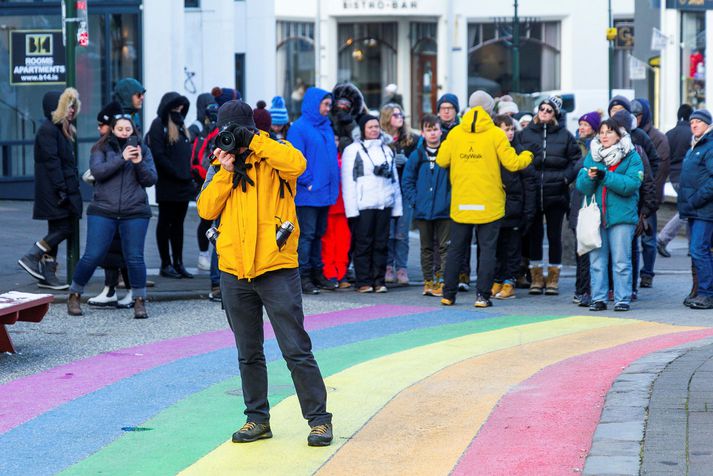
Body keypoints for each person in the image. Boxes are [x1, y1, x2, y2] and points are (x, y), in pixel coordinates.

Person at [196, 99, 333, 446]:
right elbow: (206, 209)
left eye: (235, 131)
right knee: (248, 352)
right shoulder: (220, 163)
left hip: (276, 266)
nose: (230, 138)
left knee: (295, 349)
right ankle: (257, 419)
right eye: (225, 131)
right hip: (233, 269)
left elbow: (297, 164)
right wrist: (225, 173)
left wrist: (255, 141)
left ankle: (319, 420)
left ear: (251, 128)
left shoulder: (274, 152)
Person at [437, 90, 534, 308]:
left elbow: (442, 160)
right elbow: (512, 163)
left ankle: (448, 294)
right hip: (489, 202)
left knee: (456, 250)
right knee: (488, 250)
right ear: (490, 110)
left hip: (462, 200)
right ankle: (482, 296)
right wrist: (528, 155)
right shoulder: (495, 134)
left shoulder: (455, 133)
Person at [66, 115, 157, 319]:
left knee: (135, 257)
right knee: (93, 255)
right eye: (120, 129)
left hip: (134, 211)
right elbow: (98, 172)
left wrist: (138, 162)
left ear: (133, 131)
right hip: (103, 210)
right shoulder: (101, 148)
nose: (125, 132)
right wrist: (122, 158)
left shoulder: (143, 149)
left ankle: (140, 301)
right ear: (112, 130)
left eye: (128, 129)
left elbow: (151, 179)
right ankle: (74, 294)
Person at [576, 118, 643, 312]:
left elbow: (630, 185)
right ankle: (599, 298)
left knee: (621, 261)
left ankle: (622, 299)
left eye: (609, 132)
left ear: (619, 135)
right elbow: (582, 187)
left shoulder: (632, 156)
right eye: (602, 132)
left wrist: (605, 176)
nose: (604, 136)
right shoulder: (593, 155)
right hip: (597, 216)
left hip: (621, 217)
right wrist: (588, 178)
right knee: (597, 261)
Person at [18, 88, 82, 290]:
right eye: (68, 106)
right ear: (58, 107)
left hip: (57, 190)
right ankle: (33, 254)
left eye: (73, 106)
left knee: (57, 229)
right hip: (54, 192)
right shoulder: (49, 129)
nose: (72, 110)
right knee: (64, 229)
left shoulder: (60, 129)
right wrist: (62, 189)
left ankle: (47, 275)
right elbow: (52, 163)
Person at [518, 96, 581, 295]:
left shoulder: (565, 135)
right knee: (534, 237)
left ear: (555, 114)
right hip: (533, 192)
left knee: (554, 237)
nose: (544, 112)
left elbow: (576, 160)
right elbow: (518, 157)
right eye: (542, 109)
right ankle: (536, 277)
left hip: (557, 193)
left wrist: (565, 179)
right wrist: (530, 177)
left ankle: (553, 278)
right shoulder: (526, 134)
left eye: (549, 110)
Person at [287, 87, 340, 294]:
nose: (328, 108)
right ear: (314, 104)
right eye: (325, 104)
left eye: (329, 105)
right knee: (307, 235)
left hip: (324, 193)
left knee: (319, 234)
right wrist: (308, 182)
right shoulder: (299, 128)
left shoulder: (326, 126)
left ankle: (318, 273)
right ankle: (303, 277)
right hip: (308, 193)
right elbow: (295, 159)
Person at [341, 115, 403, 293]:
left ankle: (379, 280)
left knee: (382, 244)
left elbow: (394, 180)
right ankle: (363, 281)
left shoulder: (387, 150)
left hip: (384, 204)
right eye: (370, 127)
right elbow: (348, 181)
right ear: (362, 130)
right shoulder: (353, 150)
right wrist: (351, 210)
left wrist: (397, 207)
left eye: (376, 126)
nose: (374, 130)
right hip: (363, 206)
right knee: (363, 244)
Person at [87, 101, 136, 308]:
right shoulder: (103, 146)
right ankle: (112, 289)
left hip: (123, 206)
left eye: (102, 125)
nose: (99, 129)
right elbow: (99, 171)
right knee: (112, 249)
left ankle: (130, 290)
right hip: (108, 204)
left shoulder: (125, 145)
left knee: (124, 250)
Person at [402, 114, 450, 297]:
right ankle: (428, 280)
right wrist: (415, 201)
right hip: (423, 210)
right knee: (427, 247)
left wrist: (449, 199)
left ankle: (442, 279)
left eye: (435, 129)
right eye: (429, 130)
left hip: (444, 209)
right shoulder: (417, 155)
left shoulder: (447, 152)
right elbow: (407, 180)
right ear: (422, 132)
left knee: (445, 246)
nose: (432, 134)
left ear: (441, 131)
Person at [149, 92, 194, 279]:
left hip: (183, 184)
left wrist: (187, 175)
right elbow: (158, 155)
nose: (179, 111)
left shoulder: (182, 126)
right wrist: (177, 173)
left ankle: (178, 263)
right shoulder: (159, 125)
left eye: (181, 108)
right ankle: (165, 264)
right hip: (168, 184)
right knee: (165, 223)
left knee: (178, 225)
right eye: (175, 108)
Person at [491, 114, 536, 300]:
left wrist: (527, 211)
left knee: (512, 249)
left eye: (511, 129)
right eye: (505, 129)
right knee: (497, 248)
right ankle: (498, 279)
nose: (509, 133)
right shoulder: (493, 151)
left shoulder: (519, 151)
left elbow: (529, 183)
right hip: (496, 206)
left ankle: (509, 281)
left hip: (514, 208)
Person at [677, 109, 713, 310]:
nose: (694, 124)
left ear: (708, 124)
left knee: (699, 250)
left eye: (699, 121)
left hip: (704, 209)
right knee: (698, 251)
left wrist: (696, 200)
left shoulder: (709, 145)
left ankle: (707, 294)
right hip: (694, 209)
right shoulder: (695, 145)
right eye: (692, 121)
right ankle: (700, 291)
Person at [632, 99, 670, 288]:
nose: (635, 119)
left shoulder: (658, 138)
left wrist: (650, 201)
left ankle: (647, 273)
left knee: (648, 238)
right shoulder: (624, 134)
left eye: (637, 115)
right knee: (631, 240)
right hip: (630, 196)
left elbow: (659, 172)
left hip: (649, 197)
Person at [380, 103, 418, 285]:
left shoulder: (412, 140)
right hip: (386, 191)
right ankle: (388, 266)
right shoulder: (381, 140)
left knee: (402, 233)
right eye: (395, 114)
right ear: (387, 117)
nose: (400, 117)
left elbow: (418, 163)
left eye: (401, 114)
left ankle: (401, 268)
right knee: (388, 232)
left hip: (405, 191)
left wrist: (408, 161)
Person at [569, 111, 601, 307]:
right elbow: (572, 171)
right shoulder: (574, 145)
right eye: (580, 124)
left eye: (586, 125)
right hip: (577, 202)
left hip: (592, 203)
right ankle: (581, 290)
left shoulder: (597, 148)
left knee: (591, 249)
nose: (581, 127)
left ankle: (589, 290)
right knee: (581, 250)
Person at [659, 104, 694, 257]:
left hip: (673, 177)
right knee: (687, 210)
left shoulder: (669, 134)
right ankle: (662, 238)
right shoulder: (692, 133)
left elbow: (665, 158)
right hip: (688, 177)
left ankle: (692, 246)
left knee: (690, 209)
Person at [189, 93, 219, 272]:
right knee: (206, 220)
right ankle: (203, 255)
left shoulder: (214, 127)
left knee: (212, 221)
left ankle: (208, 257)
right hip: (205, 179)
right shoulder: (198, 127)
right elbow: (195, 156)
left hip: (210, 177)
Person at [330, 82, 366, 154]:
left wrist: (350, 122)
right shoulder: (328, 116)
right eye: (340, 103)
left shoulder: (360, 117)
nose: (343, 106)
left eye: (346, 104)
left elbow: (358, 138)